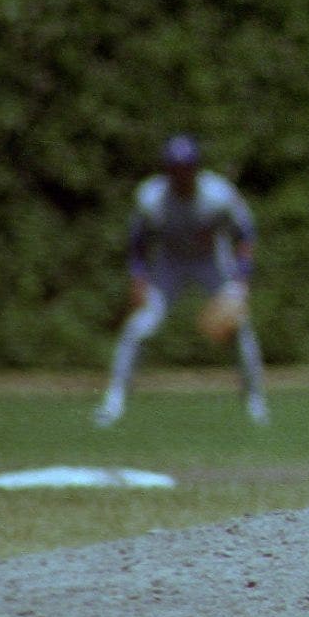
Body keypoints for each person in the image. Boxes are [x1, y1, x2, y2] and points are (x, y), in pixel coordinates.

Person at [94, 135, 267, 427]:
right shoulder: (151, 196)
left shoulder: (217, 194)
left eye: (187, 167)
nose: (181, 173)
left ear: (196, 168)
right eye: (175, 168)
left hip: (211, 261)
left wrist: (241, 282)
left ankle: (255, 401)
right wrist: (138, 278)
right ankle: (113, 401)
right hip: (169, 264)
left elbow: (245, 234)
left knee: (240, 328)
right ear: (167, 169)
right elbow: (138, 240)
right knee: (138, 328)